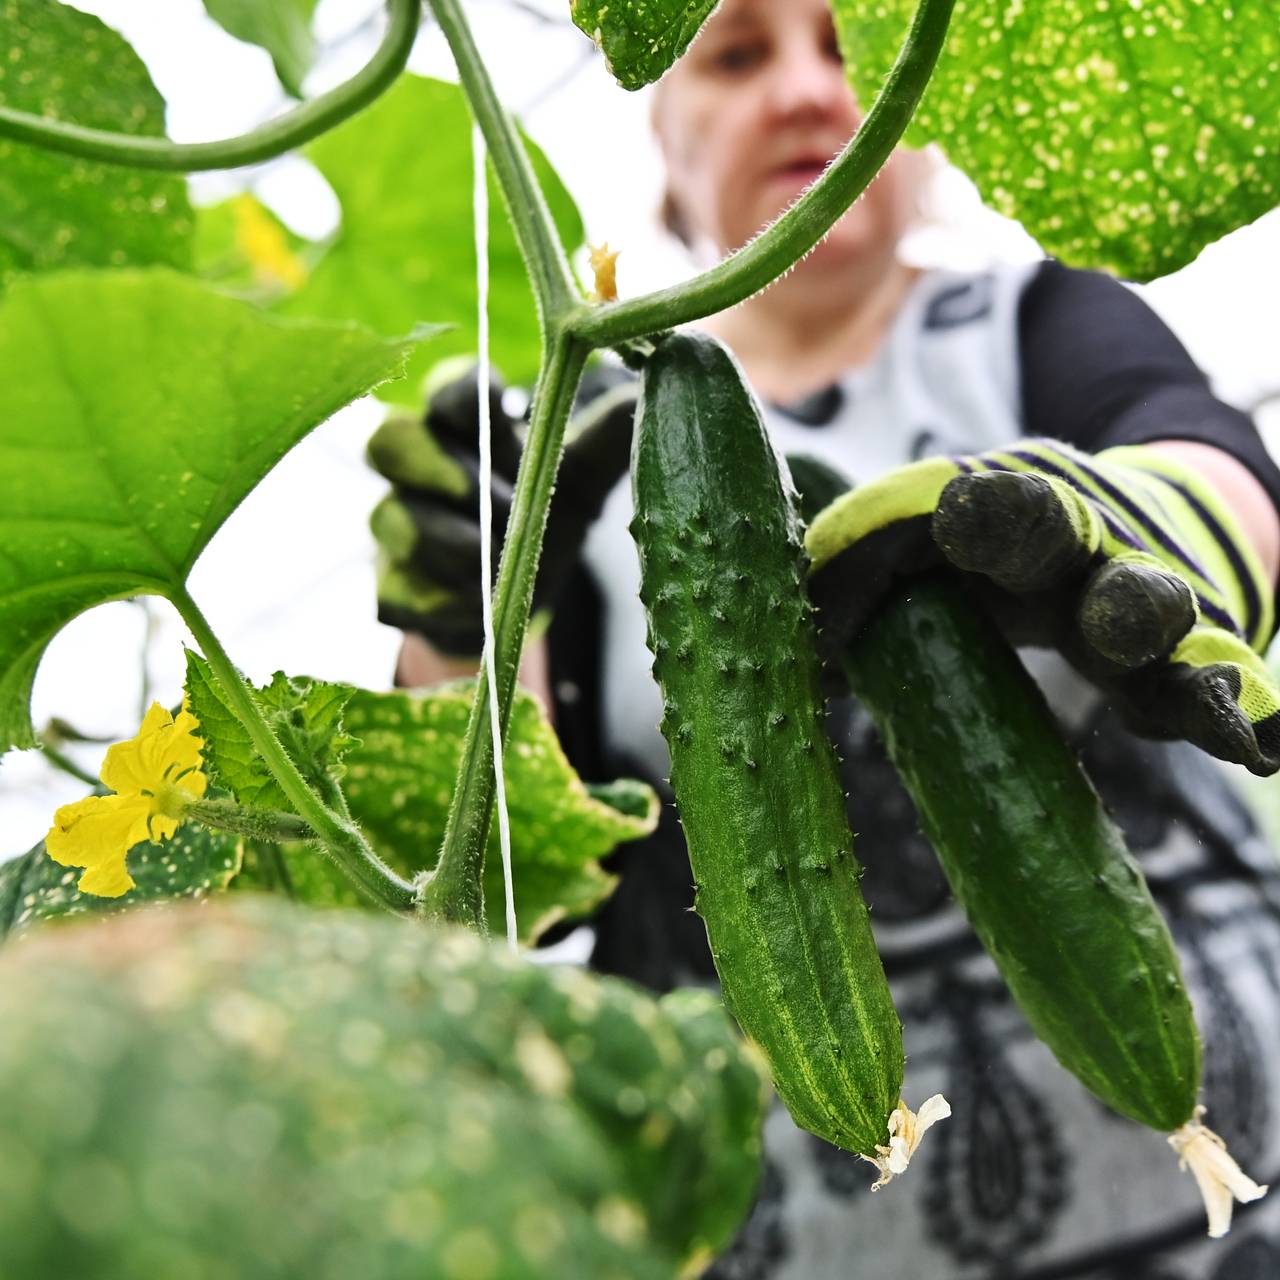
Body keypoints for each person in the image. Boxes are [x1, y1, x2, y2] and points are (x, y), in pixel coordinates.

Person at [373, 0, 1280, 1274]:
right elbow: (509, 862)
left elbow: (1209, 463)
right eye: (737, 53)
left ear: (922, 124)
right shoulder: (580, 449)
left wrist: (1156, 527)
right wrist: (456, 617)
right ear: (663, 127)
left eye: (847, 42)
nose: (805, 91)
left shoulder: (1033, 320)